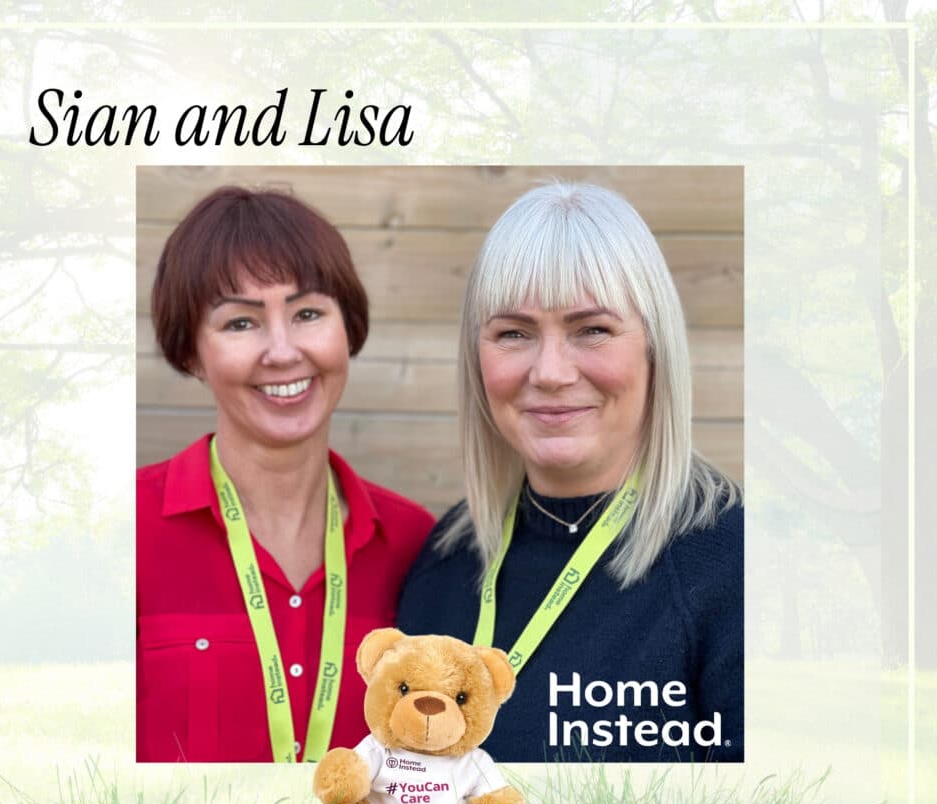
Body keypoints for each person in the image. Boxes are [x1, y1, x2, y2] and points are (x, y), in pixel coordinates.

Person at [398, 181, 742, 763]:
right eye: (514, 333)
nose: (551, 372)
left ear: (655, 347)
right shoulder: (443, 564)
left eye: (592, 330)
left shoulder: (733, 571)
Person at [137, 186, 434, 763]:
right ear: (191, 353)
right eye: (240, 323)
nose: (282, 351)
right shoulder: (122, 533)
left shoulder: (416, 546)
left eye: (307, 314)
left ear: (347, 329)